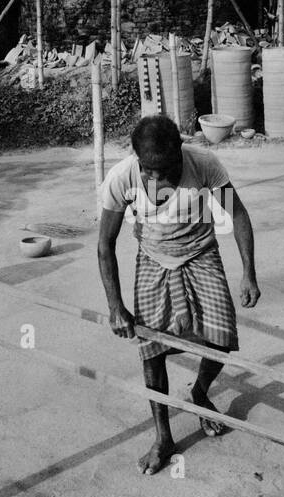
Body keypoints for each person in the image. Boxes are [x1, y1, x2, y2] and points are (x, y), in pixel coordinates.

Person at [98, 115, 260, 475]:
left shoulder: (203, 163)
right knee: (152, 351)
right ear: (137, 158)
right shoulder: (122, 176)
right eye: (149, 171)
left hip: (201, 251)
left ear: (179, 151)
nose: (156, 179)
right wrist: (115, 306)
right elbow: (104, 245)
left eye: (164, 169)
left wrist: (249, 272)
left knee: (220, 339)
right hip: (153, 257)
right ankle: (163, 436)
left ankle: (200, 393)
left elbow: (238, 213)